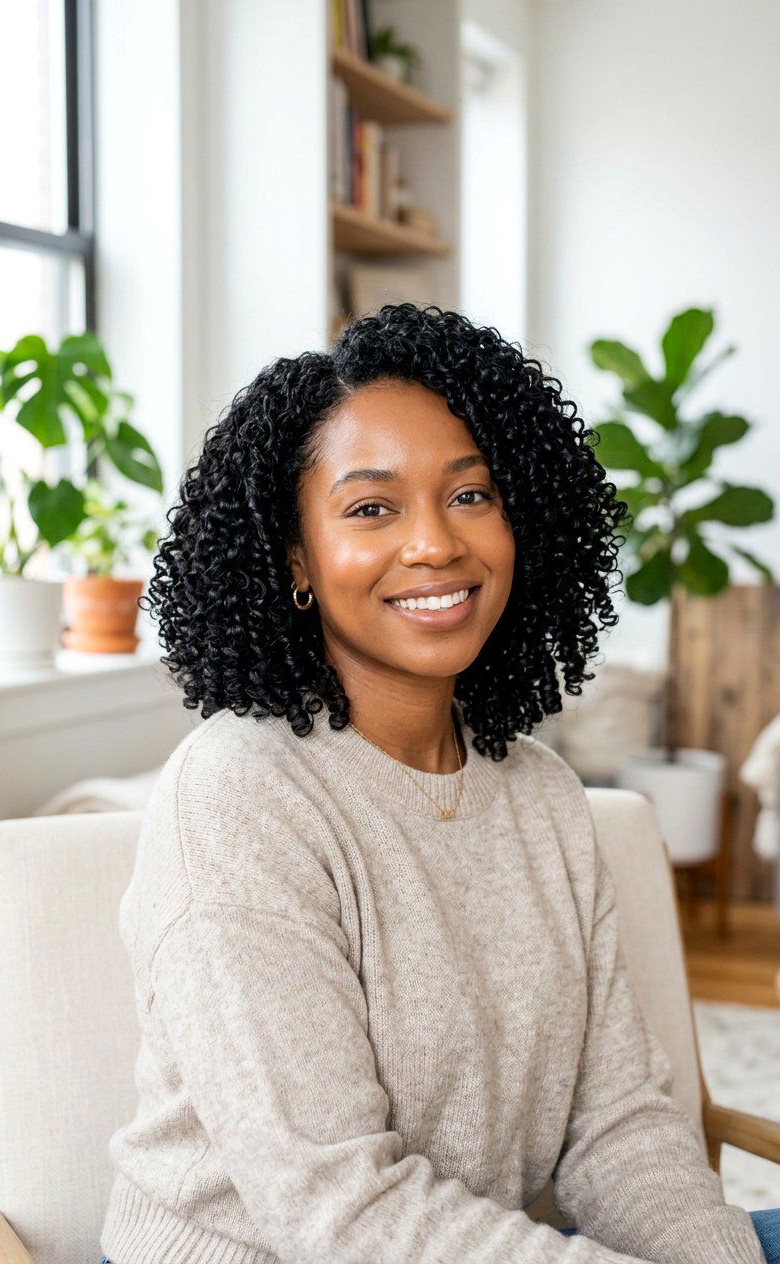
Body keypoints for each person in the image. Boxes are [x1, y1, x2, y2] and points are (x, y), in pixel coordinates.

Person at [99, 304, 774, 1264]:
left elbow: (617, 1125)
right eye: (371, 509)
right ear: (296, 559)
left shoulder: (542, 794)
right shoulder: (239, 795)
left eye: (470, 494)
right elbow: (340, 1211)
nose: (436, 545)